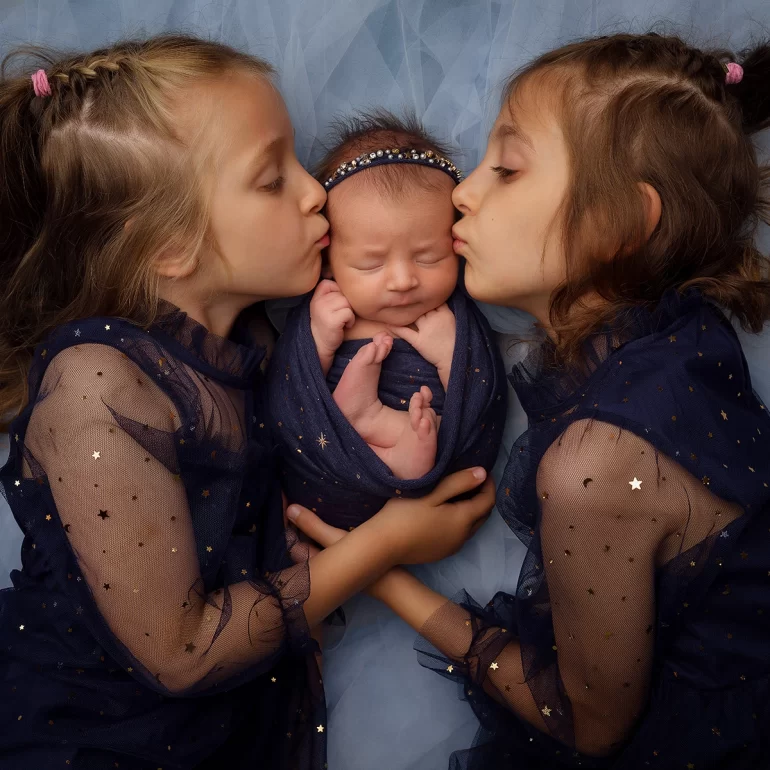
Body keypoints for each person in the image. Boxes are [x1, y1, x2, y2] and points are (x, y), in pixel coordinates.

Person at [0, 35, 494, 769]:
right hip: (100, 743)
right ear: (171, 245)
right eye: (272, 179)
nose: (312, 191)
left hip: (242, 722)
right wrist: (388, 543)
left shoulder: (259, 342)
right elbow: (182, 652)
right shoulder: (97, 383)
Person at [290, 32, 770, 769]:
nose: (463, 191)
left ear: (616, 224)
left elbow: (586, 722)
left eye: (506, 168)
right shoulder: (679, 338)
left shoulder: (598, 463)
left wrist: (374, 569)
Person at [267, 111, 506, 530]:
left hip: (429, 475)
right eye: (370, 264)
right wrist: (320, 342)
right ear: (327, 262)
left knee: (427, 423)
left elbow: (480, 399)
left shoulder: (452, 321)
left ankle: (394, 440)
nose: (402, 281)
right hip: (335, 472)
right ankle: (370, 423)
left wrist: (452, 355)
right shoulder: (323, 313)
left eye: (429, 257)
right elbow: (294, 393)